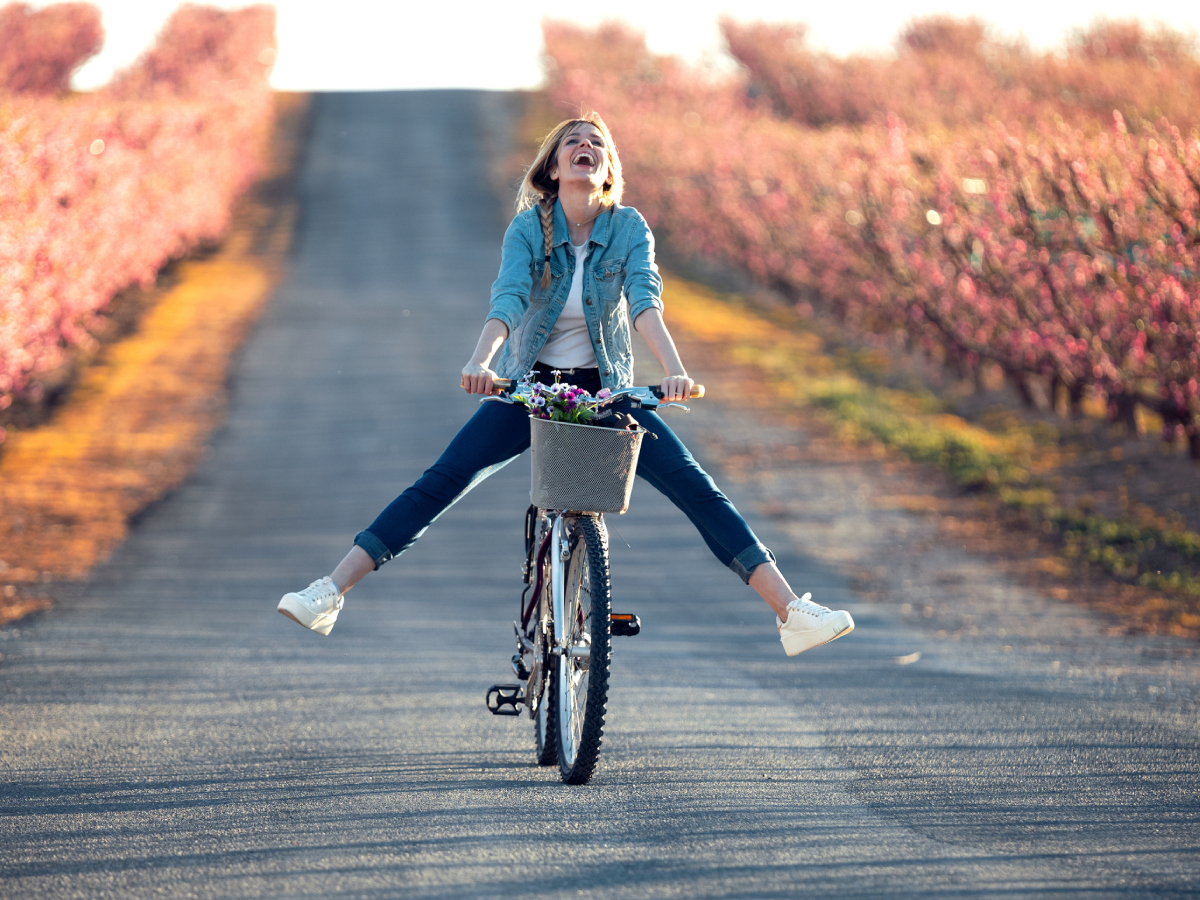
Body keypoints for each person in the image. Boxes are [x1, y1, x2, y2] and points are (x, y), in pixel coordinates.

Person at [277, 113, 853, 657]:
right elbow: (507, 298)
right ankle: (330, 592)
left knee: (698, 489)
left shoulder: (628, 227)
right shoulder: (530, 228)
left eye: (597, 143)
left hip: (606, 392)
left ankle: (790, 614)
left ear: (607, 169)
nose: (586, 146)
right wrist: (481, 361)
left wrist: (674, 371)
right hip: (533, 390)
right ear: (553, 167)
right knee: (443, 480)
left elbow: (645, 300)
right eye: (573, 141)